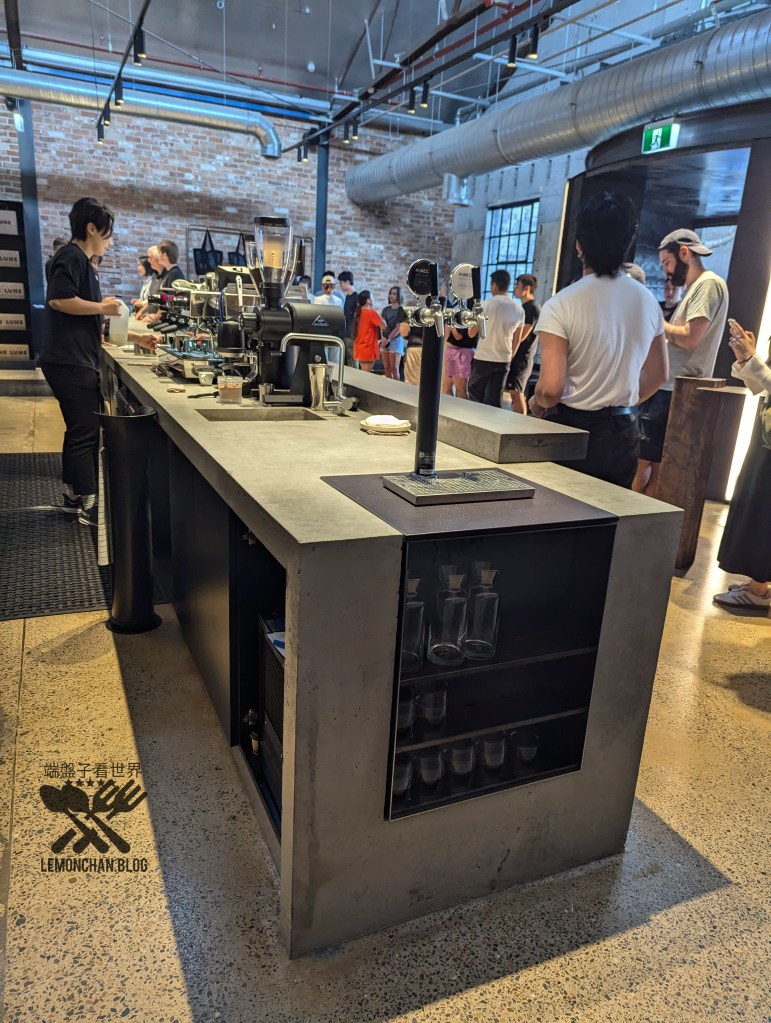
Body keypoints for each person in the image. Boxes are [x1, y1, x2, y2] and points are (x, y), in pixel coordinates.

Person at [528, 191, 668, 489]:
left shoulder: (562, 304)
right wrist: (619, 402)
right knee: (608, 513)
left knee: (559, 512)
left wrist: (536, 401)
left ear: (579, 244)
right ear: (628, 242)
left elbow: (550, 390)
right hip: (624, 432)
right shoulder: (647, 301)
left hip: (571, 431)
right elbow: (658, 374)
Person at [39, 197, 122, 526]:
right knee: (86, 431)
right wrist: (102, 307)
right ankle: (89, 504)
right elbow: (59, 300)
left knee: (79, 429)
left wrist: (121, 329)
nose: (109, 242)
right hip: (70, 361)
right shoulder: (72, 256)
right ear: (91, 228)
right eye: (107, 234)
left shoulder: (80, 262)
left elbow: (80, 315)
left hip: (72, 358)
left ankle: (73, 498)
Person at [633, 228, 729, 497]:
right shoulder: (699, 286)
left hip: (673, 391)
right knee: (652, 466)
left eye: (666, 262)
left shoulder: (707, 284)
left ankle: (633, 520)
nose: (665, 270)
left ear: (684, 253)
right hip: (670, 389)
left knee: (647, 466)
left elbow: (690, 338)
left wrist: (657, 322)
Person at [712, 320, 770, 613]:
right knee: (758, 506)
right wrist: (746, 360)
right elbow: (763, 388)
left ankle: (759, 590)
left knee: (763, 510)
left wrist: (751, 359)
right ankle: (759, 585)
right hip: (766, 436)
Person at [468, 269, 524, 407]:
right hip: (503, 359)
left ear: (494, 285)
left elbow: (471, 333)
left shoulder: (484, 305)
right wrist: (510, 357)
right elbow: (518, 339)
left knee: (475, 396)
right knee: (495, 399)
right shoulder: (519, 309)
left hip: (483, 357)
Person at [503, 273, 540, 415]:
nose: (514, 289)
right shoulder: (525, 307)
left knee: (517, 393)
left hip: (522, 358)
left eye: (517, 286)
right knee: (515, 394)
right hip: (519, 357)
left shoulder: (532, 308)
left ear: (527, 288)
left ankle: (520, 423)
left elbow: (521, 335)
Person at [442, 309, 478, 399]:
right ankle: (447, 407)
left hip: (461, 354)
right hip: (452, 352)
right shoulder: (455, 313)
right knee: (446, 387)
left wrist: (452, 324)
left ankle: (462, 408)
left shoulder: (468, 317)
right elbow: (447, 336)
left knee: (461, 390)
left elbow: (458, 336)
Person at [352, 291, 385, 372]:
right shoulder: (371, 313)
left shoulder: (357, 313)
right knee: (366, 375)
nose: (373, 299)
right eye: (372, 297)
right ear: (368, 300)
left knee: (363, 373)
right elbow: (384, 325)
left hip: (359, 348)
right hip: (368, 349)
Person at [381, 286, 407, 380]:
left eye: (394, 294)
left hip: (395, 340)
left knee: (394, 369)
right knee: (386, 368)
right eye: (390, 293)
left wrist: (388, 339)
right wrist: (383, 338)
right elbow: (382, 325)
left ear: (399, 296)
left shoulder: (401, 310)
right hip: (384, 339)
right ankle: (387, 387)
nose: (391, 295)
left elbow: (398, 328)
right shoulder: (386, 309)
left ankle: (396, 387)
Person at [134, 245, 163, 320]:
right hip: (150, 317)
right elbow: (153, 299)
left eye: (140, 265)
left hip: (157, 318)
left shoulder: (168, 275)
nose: (149, 261)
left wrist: (156, 316)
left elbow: (165, 300)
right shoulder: (154, 277)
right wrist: (141, 311)